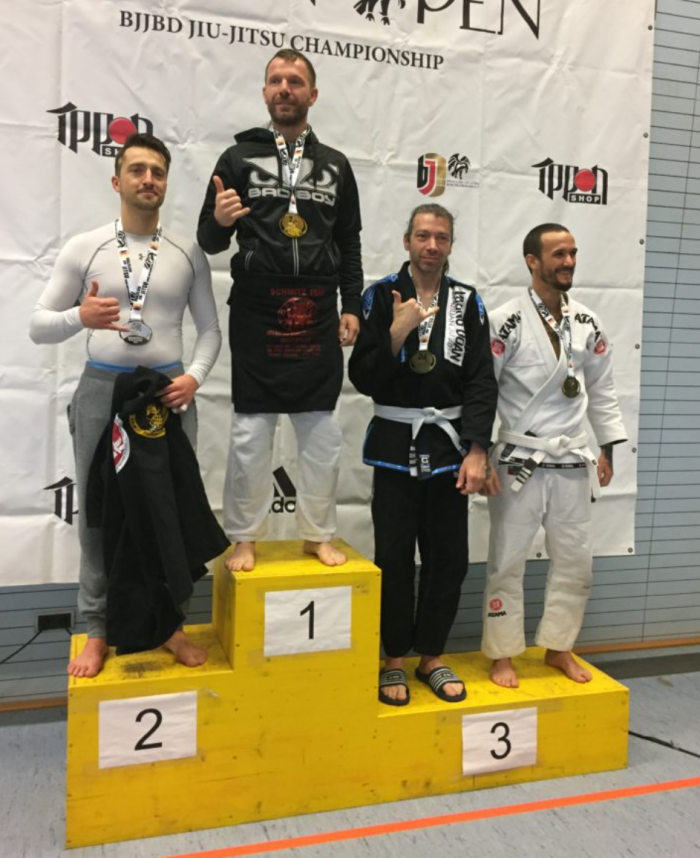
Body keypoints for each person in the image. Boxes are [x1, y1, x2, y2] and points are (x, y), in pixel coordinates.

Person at [30, 133, 223, 678]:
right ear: (117, 181)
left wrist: (194, 377)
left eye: (157, 172)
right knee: (97, 513)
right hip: (102, 391)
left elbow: (210, 331)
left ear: (166, 183)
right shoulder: (85, 247)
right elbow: (38, 325)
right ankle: (97, 630)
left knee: (168, 511)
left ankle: (172, 626)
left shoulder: (187, 252)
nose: (148, 180)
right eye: (137, 170)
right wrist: (80, 318)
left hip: (167, 394)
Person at [197, 48, 363, 573]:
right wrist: (221, 221)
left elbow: (349, 243)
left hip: (318, 309)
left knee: (321, 434)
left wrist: (353, 305)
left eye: (295, 81)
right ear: (265, 92)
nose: (284, 88)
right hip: (257, 310)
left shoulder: (335, 165)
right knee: (250, 435)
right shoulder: (237, 159)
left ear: (313, 94)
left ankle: (317, 534)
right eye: (275, 80)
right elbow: (208, 240)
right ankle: (244, 536)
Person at [349, 204, 497, 706]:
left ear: (450, 244)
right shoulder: (379, 296)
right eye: (423, 236)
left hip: (450, 446)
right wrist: (398, 329)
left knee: (448, 557)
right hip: (395, 444)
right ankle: (393, 658)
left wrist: (478, 449)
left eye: (441, 237)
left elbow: (481, 380)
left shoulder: (468, 301)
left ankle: (431, 655)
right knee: (393, 556)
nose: (432, 245)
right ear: (407, 241)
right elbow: (362, 377)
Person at [480, 223, 627, 688]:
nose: (568, 262)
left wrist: (607, 447)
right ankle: (502, 653)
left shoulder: (586, 321)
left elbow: (602, 389)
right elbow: (483, 391)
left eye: (572, 253)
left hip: (571, 458)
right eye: (558, 254)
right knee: (507, 561)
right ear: (532, 261)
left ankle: (559, 648)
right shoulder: (503, 319)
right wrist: (479, 452)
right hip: (518, 459)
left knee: (575, 562)